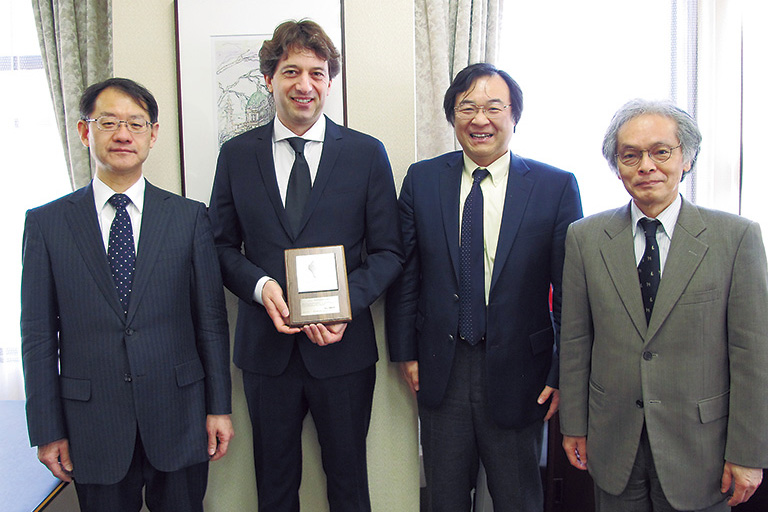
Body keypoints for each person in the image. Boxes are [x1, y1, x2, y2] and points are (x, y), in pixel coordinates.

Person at [207, 20, 404, 512]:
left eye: (317, 73)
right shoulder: (236, 156)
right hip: (265, 355)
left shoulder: (365, 153)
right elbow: (221, 247)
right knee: (273, 488)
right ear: (269, 78)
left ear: (330, 82)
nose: (304, 84)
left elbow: (389, 252)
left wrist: (346, 305)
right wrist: (260, 285)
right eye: (291, 70)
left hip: (344, 353)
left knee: (349, 484)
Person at [21, 77, 233, 512]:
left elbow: (210, 322)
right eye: (109, 122)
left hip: (179, 416)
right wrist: (46, 429)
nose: (123, 134)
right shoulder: (46, 224)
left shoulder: (189, 218)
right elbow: (38, 337)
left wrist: (219, 408)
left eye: (136, 124)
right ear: (85, 132)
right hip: (91, 425)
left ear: (153, 135)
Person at [385, 63, 583, 511]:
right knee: (445, 497)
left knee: (517, 498)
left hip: (522, 373)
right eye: (467, 107)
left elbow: (570, 293)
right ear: (452, 117)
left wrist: (561, 372)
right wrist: (406, 351)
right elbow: (406, 273)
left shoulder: (555, 187)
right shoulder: (423, 180)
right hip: (442, 367)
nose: (480, 119)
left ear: (514, 116)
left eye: (494, 107)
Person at [559, 99, 768, 511]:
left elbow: (753, 355)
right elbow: (576, 341)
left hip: (701, 448)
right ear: (617, 166)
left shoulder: (736, 238)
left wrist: (748, 452)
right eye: (630, 155)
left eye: (660, 151)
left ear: (686, 158)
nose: (646, 166)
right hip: (614, 438)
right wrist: (575, 426)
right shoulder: (585, 237)